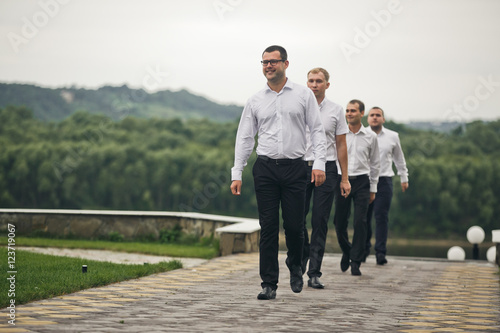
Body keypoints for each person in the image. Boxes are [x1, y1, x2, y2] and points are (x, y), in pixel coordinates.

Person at [230, 45, 327, 300]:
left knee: (295, 227)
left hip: (296, 168)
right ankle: (268, 283)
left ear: (285, 64)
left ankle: (295, 265)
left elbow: (317, 130)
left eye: (273, 62)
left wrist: (319, 164)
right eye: (264, 62)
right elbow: (245, 137)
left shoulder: (303, 95)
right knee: (269, 226)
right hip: (265, 169)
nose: (268, 66)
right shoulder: (255, 100)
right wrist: (236, 171)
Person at [301, 67, 350, 289]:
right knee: (296, 218)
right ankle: (301, 256)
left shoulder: (336, 110)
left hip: (328, 168)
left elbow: (341, 144)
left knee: (320, 220)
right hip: (300, 166)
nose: (314, 84)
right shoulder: (299, 105)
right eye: (311, 80)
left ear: (326, 85)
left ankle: (314, 272)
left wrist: (345, 178)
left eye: (319, 81)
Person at [334, 99, 380, 276]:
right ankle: (347, 250)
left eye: (353, 111)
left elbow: (375, 163)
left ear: (362, 113)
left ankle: (356, 261)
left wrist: (373, 189)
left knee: (360, 221)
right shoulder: (340, 134)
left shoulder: (371, 137)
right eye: (347, 110)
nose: (349, 113)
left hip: (362, 181)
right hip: (341, 180)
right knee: (339, 222)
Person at [364, 107, 409, 265]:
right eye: (372, 115)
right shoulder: (362, 134)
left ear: (383, 119)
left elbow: (399, 158)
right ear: (367, 118)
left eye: (378, 115)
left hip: (384, 181)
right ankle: (363, 249)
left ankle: (380, 252)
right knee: (363, 218)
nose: (375, 118)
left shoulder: (392, 136)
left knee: (381, 217)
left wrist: (404, 177)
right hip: (365, 181)